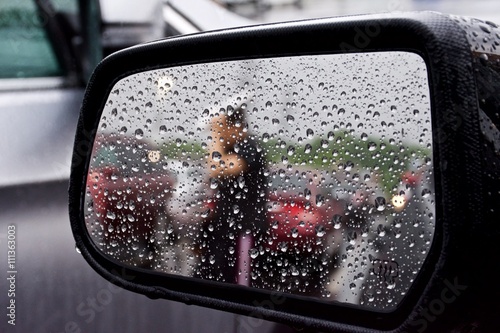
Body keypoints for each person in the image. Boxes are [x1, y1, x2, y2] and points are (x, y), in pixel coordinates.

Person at [197, 104, 267, 285]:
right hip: (225, 230)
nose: (221, 134)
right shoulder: (231, 149)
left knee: (240, 284)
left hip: (244, 231)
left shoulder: (249, 147)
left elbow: (216, 168)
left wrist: (215, 135)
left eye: (223, 128)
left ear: (235, 126)